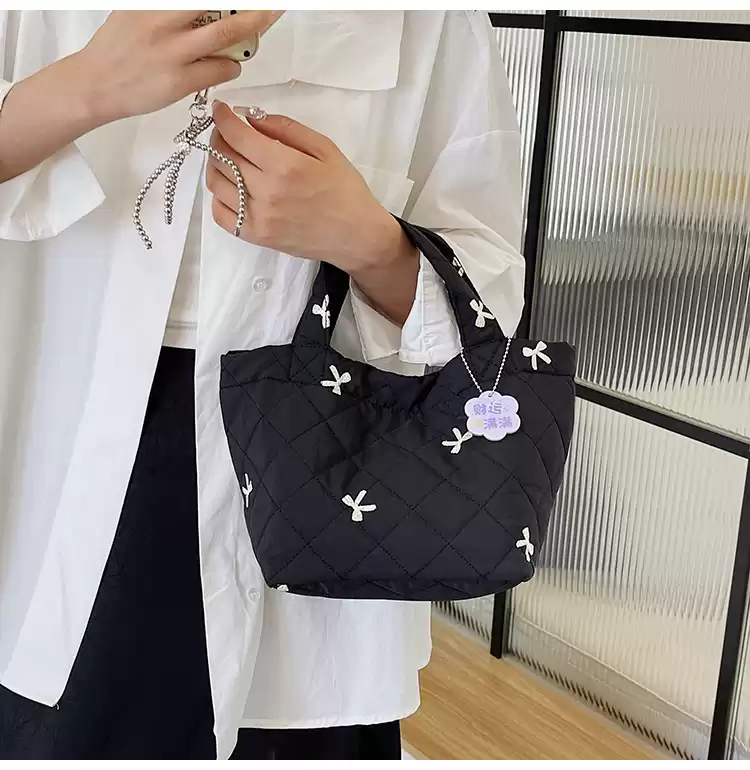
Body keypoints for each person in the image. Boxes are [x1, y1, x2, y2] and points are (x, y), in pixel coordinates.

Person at [0, 10, 525, 760]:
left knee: (294, 728)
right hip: (59, 455)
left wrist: (369, 241)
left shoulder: (434, 19)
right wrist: (80, 89)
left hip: (329, 465)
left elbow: (490, 304)